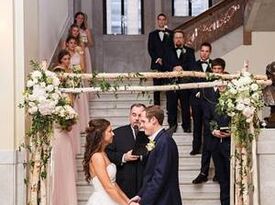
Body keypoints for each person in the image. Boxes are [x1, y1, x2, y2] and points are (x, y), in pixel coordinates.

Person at [129, 105, 182, 205]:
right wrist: (140, 195)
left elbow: (159, 177)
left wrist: (143, 202)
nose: (140, 126)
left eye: (143, 121)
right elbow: (150, 175)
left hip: (165, 200)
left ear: (153, 120)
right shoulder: (157, 140)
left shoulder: (164, 142)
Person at [83, 119, 137, 205]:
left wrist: (128, 201)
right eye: (110, 131)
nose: (113, 134)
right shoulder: (97, 156)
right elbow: (108, 187)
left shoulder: (103, 153)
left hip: (112, 197)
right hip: (103, 200)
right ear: (101, 135)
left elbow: (113, 184)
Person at [50, 49, 77, 205]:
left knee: (66, 167)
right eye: (58, 75)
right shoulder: (52, 97)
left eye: (62, 75)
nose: (61, 77)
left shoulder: (66, 95)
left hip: (64, 133)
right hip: (56, 134)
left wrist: (68, 121)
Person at [192, 58, 225, 184]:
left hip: (222, 124)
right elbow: (204, 109)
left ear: (223, 70)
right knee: (206, 148)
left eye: (219, 69)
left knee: (220, 150)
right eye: (214, 69)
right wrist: (211, 127)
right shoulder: (206, 87)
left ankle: (218, 173)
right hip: (208, 123)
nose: (216, 71)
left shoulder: (227, 87)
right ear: (212, 70)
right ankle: (203, 173)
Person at [106, 104, 149, 198]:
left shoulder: (151, 134)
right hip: (124, 186)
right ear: (129, 116)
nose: (137, 118)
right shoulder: (117, 134)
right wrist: (124, 157)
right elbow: (108, 154)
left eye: (140, 115)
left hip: (146, 185)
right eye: (134, 115)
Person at [163, 29, 196, 132]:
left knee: (185, 105)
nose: (178, 39)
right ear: (173, 39)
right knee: (171, 105)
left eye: (180, 37)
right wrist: (173, 68)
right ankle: (172, 126)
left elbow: (192, 64)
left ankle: (186, 127)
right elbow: (164, 65)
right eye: (176, 37)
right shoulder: (167, 51)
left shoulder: (190, 51)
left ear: (184, 39)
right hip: (171, 82)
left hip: (185, 82)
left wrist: (182, 67)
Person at [190, 42, 212, 155]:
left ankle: (207, 148)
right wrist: (197, 92)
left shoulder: (214, 65)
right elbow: (190, 82)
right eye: (202, 51)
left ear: (210, 52)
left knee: (208, 125)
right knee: (197, 125)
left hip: (209, 101)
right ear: (200, 52)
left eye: (206, 51)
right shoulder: (193, 65)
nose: (204, 53)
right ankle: (196, 147)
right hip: (196, 100)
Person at [148, 13, 173, 105]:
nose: (161, 21)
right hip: (156, 64)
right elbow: (150, 49)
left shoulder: (171, 33)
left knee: (169, 88)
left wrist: (166, 60)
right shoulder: (152, 34)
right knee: (156, 88)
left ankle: (169, 108)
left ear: (166, 21)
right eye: (160, 19)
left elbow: (172, 49)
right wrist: (158, 59)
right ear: (157, 21)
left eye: (163, 19)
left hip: (168, 65)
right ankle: (156, 107)